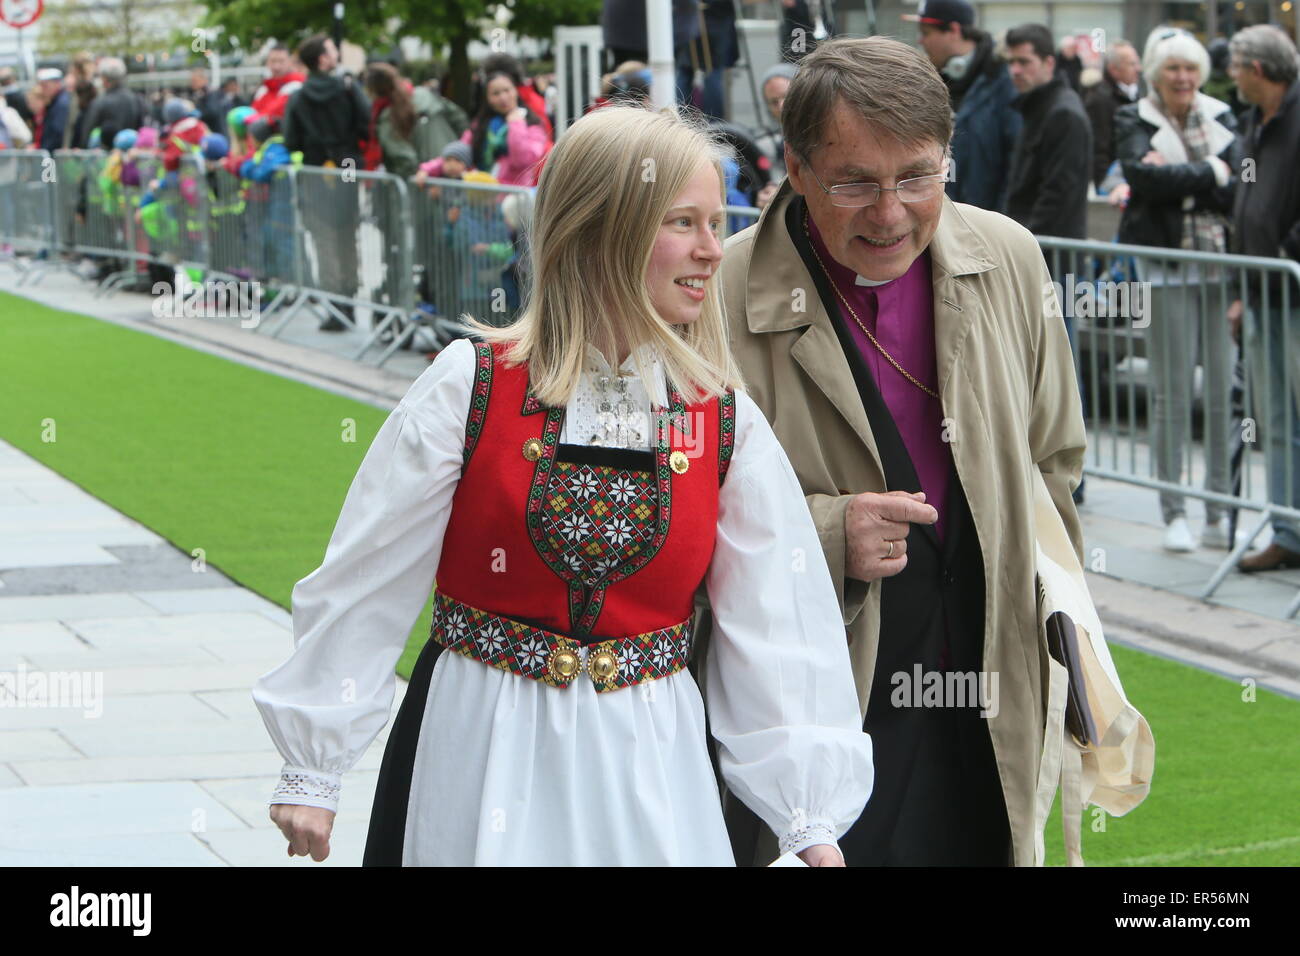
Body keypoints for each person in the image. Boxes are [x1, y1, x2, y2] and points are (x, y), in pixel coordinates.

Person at [253, 104, 874, 866]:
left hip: (649, 763)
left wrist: (807, 811)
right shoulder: (471, 386)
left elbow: (777, 619)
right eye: (683, 222)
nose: (713, 250)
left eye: (717, 223)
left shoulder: (721, 421)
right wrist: (313, 764)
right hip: (479, 743)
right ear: (602, 228)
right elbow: (367, 576)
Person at [713, 36, 1147, 866]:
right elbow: (675, 516)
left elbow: (1054, 458)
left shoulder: (1009, 256)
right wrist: (828, 534)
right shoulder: (718, 295)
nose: (890, 213)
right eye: (854, 183)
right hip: (825, 701)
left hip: (988, 679)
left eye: (918, 177)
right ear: (795, 169)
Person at [1110, 28, 1239, 553]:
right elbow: (1142, 179)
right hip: (1165, 267)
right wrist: (1210, 172)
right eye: (1172, 69)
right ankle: (1175, 510)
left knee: (1222, 393)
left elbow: (1238, 187)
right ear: (1156, 74)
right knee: (1172, 392)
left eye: (1190, 68)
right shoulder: (1133, 117)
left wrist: (1182, 179)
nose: (1183, 78)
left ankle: (1219, 510)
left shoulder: (1222, 114)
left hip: (1222, 267)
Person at [1227, 26, 1300, 572]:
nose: (1230, 76)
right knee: (1274, 419)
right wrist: (1241, 289)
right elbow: (1244, 205)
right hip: (1261, 292)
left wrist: (1282, 254)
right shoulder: (1254, 121)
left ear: (1257, 68)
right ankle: (1288, 532)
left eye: (1235, 66)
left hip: (1290, 289)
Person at [283, 33, 370, 331]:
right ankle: (350, 301)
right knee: (347, 236)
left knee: (324, 239)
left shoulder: (298, 96)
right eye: (333, 49)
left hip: (315, 171)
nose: (337, 53)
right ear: (323, 59)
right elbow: (366, 122)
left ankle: (335, 307)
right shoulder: (348, 88)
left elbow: (291, 140)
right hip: (347, 168)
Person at [908, 0, 1020, 213]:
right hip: (941, 216)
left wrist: (999, 221)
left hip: (986, 220)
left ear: (954, 30)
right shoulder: (928, 83)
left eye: (926, 32)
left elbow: (1015, 166)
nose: (921, 40)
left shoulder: (1003, 84)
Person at [1005, 23, 1091, 241]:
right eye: (1011, 62)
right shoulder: (1036, 107)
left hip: (1048, 249)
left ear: (1049, 63)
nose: (1015, 70)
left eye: (1024, 62)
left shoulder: (1063, 114)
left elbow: (1058, 195)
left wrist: (1025, 244)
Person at [450, 69, 550, 187]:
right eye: (495, 93)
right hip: (482, 192)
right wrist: (434, 168)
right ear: (487, 98)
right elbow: (460, 151)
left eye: (507, 90)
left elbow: (523, 160)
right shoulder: (480, 125)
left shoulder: (532, 124)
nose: (503, 97)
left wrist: (516, 124)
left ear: (516, 91)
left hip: (514, 193)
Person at [1084, 39, 1144, 190]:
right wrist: (1106, 185)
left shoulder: (1136, 94)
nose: (1138, 69)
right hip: (1113, 185)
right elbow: (1098, 148)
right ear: (1114, 69)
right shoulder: (1099, 100)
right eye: (1131, 64)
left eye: (1137, 63)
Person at [79, 59, 147, 157]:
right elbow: (142, 130)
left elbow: (87, 135)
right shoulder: (136, 100)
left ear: (104, 80)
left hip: (106, 160)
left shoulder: (100, 102)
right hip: (131, 158)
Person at [754, 62, 796, 210]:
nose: (781, 106)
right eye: (773, 102)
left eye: (786, 96)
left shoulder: (822, 135)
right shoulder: (765, 142)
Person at [250, 45, 305, 127]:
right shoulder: (264, 89)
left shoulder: (297, 85)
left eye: (281, 61)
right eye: (273, 61)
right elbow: (252, 114)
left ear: (289, 62)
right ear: (267, 62)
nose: (276, 66)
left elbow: (273, 113)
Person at [36, 69, 70, 152]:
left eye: (45, 86)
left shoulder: (61, 103)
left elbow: (57, 132)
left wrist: (45, 150)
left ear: (57, 84)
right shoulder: (55, 102)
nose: (42, 89)